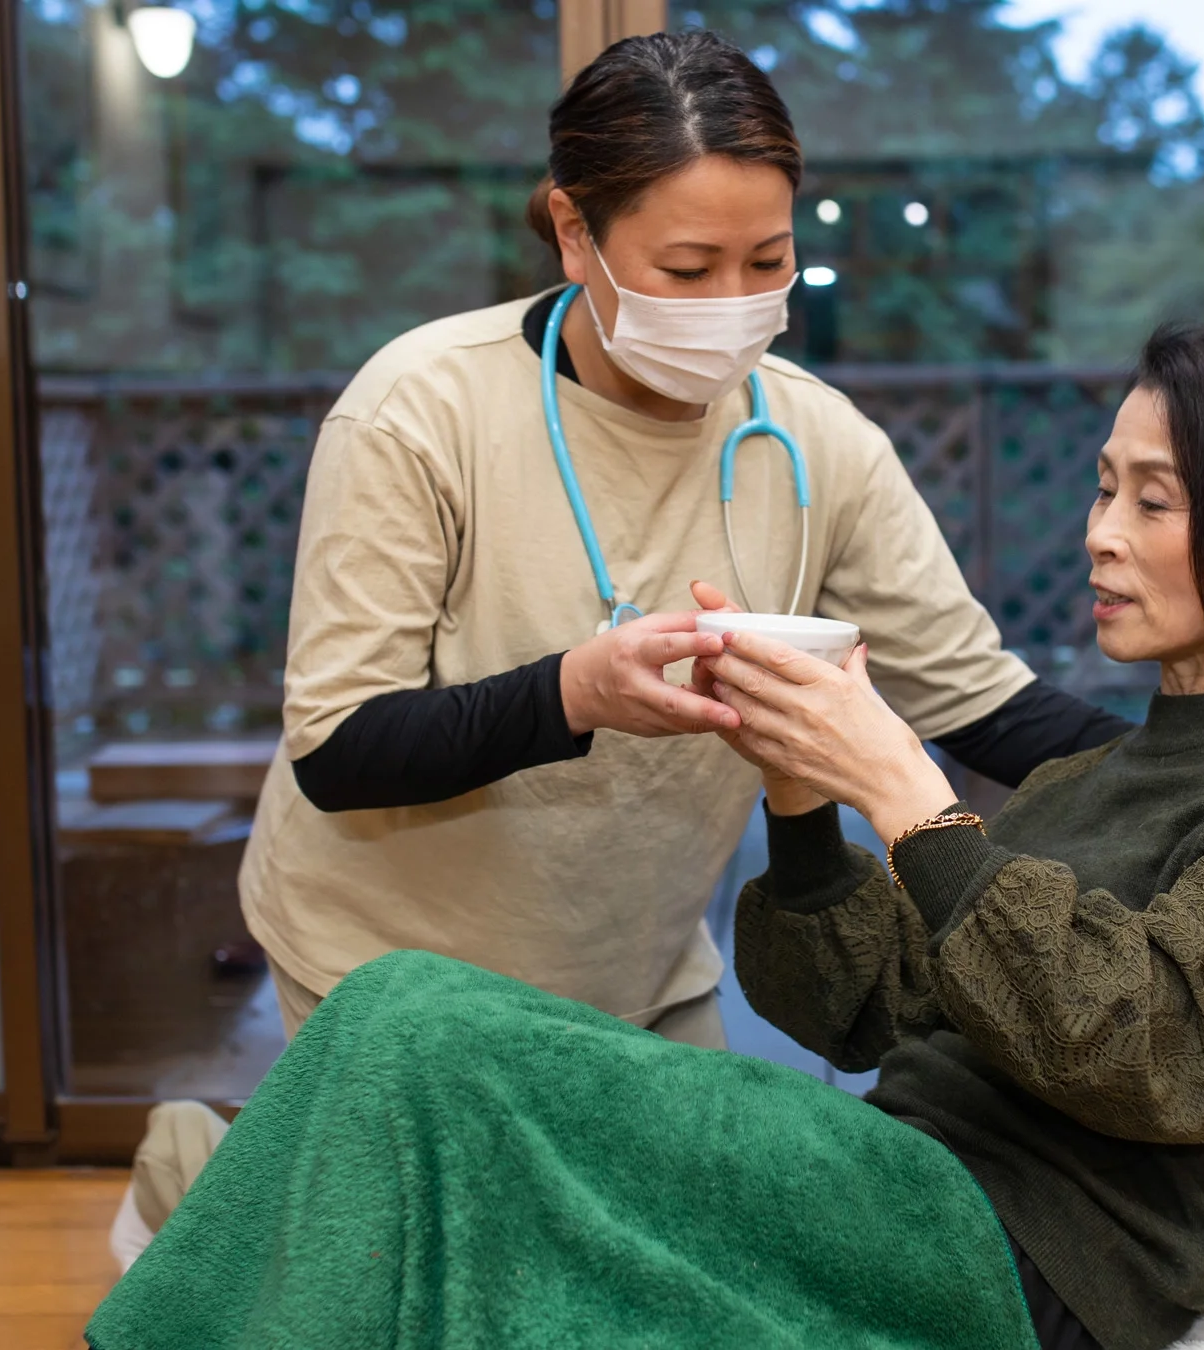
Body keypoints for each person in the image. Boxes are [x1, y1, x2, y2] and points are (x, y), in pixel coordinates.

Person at [88, 324, 1204, 1350]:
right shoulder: (1108, 770)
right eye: (1101, 489)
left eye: (1152, 501)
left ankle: (202, 1228)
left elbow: (1158, 1054)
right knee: (408, 1027)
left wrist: (908, 791)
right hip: (891, 1177)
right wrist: (797, 793)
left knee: (422, 1033)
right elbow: (860, 1009)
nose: (1098, 536)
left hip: (1012, 1256)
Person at [236, 28, 1126, 1052]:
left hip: (641, 976)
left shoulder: (815, 439)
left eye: (768, 261)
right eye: (688, 268)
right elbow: (340, 750)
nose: (732, 307)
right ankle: (188, 1169)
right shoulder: (418, 409)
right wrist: (575, 692)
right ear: (575, 231)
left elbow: (988, 712)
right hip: (386, 974)